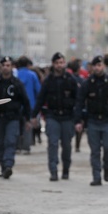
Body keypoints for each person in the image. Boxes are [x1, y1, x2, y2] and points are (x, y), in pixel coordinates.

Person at [75, 55, 108, 186]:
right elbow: (79, 102)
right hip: (92, 121)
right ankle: (96, 176)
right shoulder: (87, 84)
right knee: (95, 150)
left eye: (100, 65)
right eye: (96, 65)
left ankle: (106, 167)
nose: (98, 68)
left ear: (104, 66)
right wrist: (78, 120)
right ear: (92, 67)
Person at [31, 52, 78, 181]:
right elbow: (40, 99)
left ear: (65, 63)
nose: (59, 65)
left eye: (61, 63)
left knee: (67, 145)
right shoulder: (48, 81)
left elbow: (78, 99)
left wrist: (79, 118)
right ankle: (53, 170)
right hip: (52, 116)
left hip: (67, 117)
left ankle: (66, 169)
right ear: (53, 64)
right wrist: (34, 115)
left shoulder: (71, 79)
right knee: (52, 144)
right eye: (57, 63)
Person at [16, 56, 41, 155]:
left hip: (17, 105)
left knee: (17, 125)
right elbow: (38, 90)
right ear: (28, 64)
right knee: (28, 125)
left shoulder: (15, 74)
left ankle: (17, 146)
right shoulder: (32, 75)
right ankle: (26, 147)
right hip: (30, 104)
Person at [67, 59, 85, 153]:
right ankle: (77, 145)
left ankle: (68, 142)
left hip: (69, 106)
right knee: (79, 125)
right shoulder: (82, 80)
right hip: (79, 105)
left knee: (70, 125)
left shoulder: (67, 79)